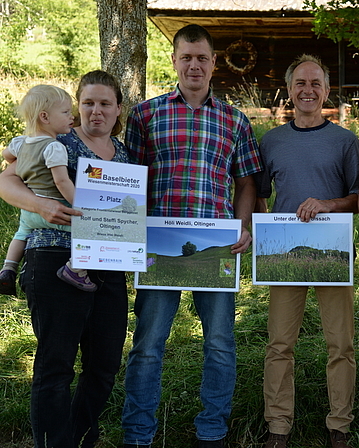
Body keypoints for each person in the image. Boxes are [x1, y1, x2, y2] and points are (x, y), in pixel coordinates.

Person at [121, 24, 261, 448]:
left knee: (219, 343)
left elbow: (247, 182)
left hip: (216, 248)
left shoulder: (234, 120)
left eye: (202, 58)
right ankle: (138, 433)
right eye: (186, 57)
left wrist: (243, 225)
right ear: (174, 61)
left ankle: (212, 430)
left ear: (214, 62)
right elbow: (132, 181)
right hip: (159, 246)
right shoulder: (146, 114)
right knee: (148, 344)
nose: (194, 65)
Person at [0, 70, 130, 448]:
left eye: (105, 103)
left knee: (104, 367)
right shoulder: (54, 140)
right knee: (56, 366)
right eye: (88, 102)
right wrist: (39, 204)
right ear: (77, 106)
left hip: (108, 262)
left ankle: (77, 438)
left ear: (118, 109)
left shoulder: (123, 153)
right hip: (54, 256)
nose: (96, 111)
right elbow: (6, 181)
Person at [255, 54, 359, 448]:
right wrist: (265, 234)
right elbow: (259, 195)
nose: (308, 90)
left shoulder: (345, 141)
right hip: (284, 253)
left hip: (333, 251)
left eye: (316, 83)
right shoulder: (271, 140)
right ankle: (278, 426)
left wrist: (328, 204)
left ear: (327, 91)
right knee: (280, 343)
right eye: (300, 83)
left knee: (341, 344)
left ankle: (339, 425)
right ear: (289, 90)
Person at [0, 85, 98, 295]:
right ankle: (75, 269)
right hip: (56, 209)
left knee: (21, 234)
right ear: (45, 117)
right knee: (88, 230)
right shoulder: (54, 147)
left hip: (30, 211)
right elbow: (62, 182)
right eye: (64, 112)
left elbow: (7, 156)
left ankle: (8, 268)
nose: (71, 116)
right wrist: (81, 204)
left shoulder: (20, 143)